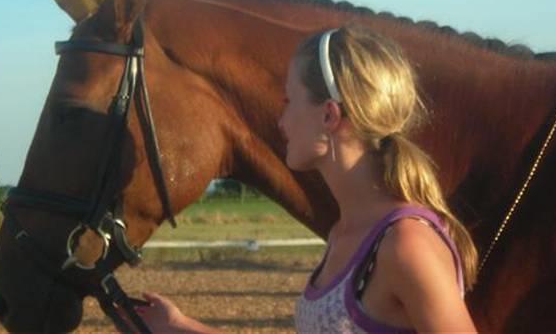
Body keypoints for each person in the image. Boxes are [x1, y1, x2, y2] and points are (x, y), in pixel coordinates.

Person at [133, 25, 478, 333]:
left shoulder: (406, 244)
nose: (281, 121)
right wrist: (180, 327)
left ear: (329, 114)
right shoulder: (343, 233)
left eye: (289, 102)